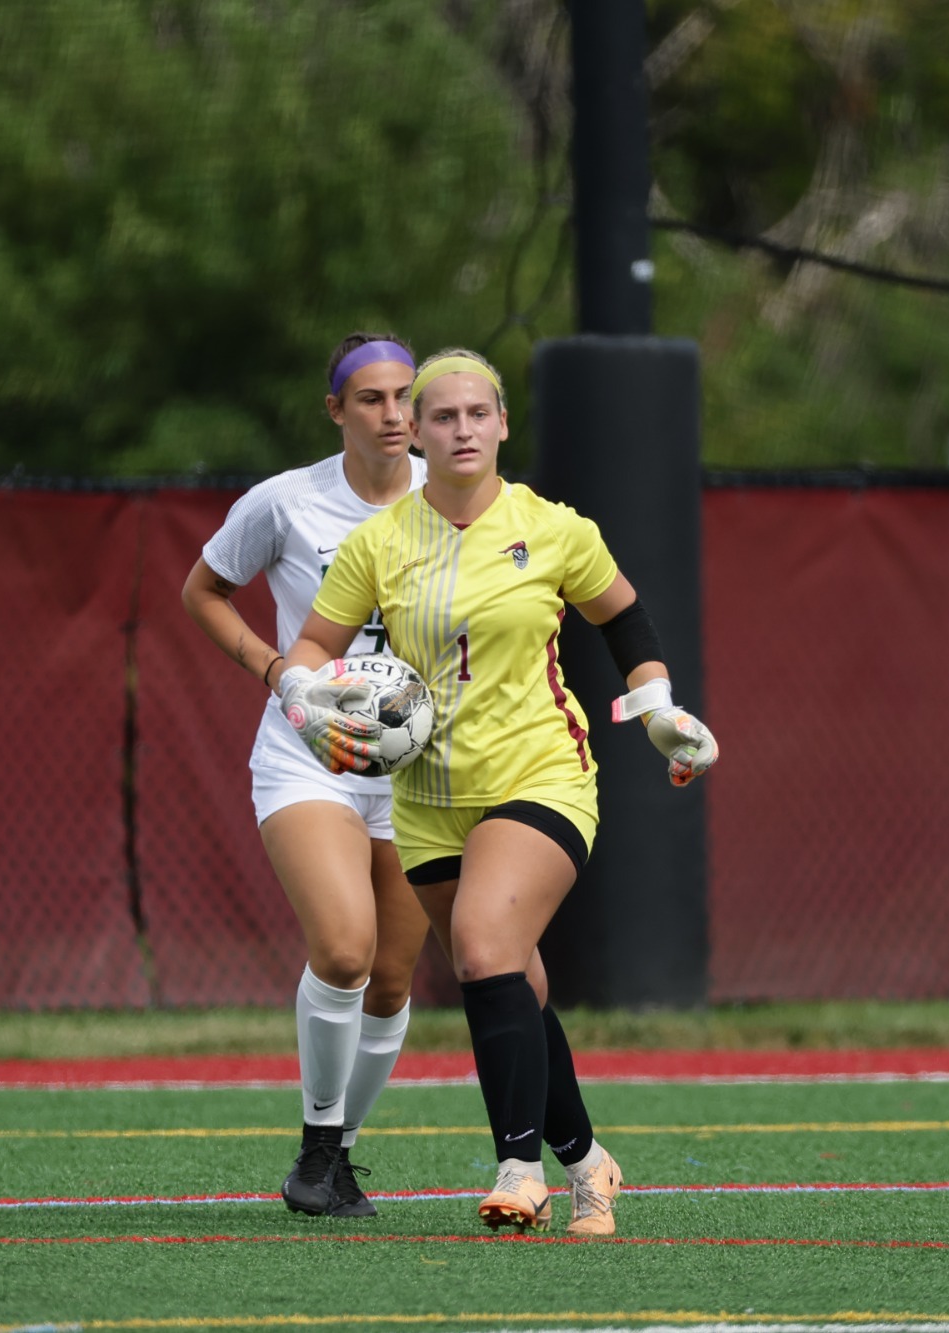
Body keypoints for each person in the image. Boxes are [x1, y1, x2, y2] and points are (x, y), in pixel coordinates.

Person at [275, 348, 718, 1235]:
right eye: (443, 416)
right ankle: (591, 1163)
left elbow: (626, 619)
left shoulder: (554, 527)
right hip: (429, 799)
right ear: (418, 434)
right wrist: (303, 695)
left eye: (479, 413)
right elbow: (312, 648)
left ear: (504, 424)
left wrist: (661, 707)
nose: (462, 428)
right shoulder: (380, 541)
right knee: (517, 983)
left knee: (482, 948)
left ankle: (520, 1168)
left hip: (541, 774)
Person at [183, 332, 567, 1218]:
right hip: (310, 759)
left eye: (407, 398)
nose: (394, 415)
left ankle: (338, 1157)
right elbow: (201, 591)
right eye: (372, 399)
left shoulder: (462, 511)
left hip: (418, 776)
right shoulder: (285, 504)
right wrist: (279, 671)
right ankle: (318, 1147)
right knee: (346, 949)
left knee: (395, 979)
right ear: (336, 411)